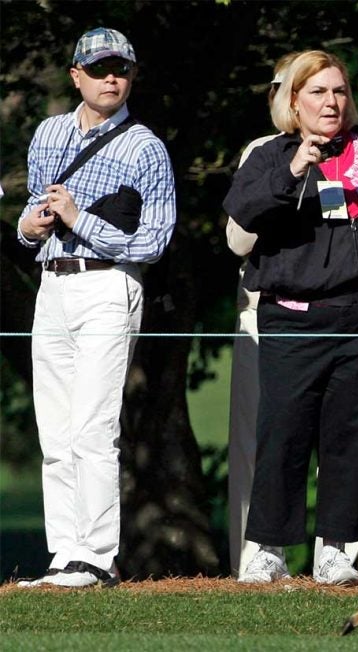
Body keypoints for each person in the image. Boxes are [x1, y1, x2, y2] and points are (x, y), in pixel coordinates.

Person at [223, 49, 358, 585]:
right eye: (317, 92)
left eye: (338, 91)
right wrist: (295, 170)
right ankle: (268, 548)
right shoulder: (272, 154)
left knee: (351, 438)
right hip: (293, 318)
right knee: (283, 434)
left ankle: (335, 549)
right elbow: (242, 214)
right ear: (294, 102)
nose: (331, 102)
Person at [15, 27, 176, 587]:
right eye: (101, 67)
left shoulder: (144, 146)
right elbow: (32, 218)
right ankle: (64, 553)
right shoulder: (49, 132)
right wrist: (30, 226)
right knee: (55, 432)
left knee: (91, 426)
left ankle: (96, 557)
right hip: (51, 286)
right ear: (76, 74)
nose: (113, 77)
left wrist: (82, 219)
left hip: (109, 287)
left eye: (122, 68)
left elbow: (155, 240)